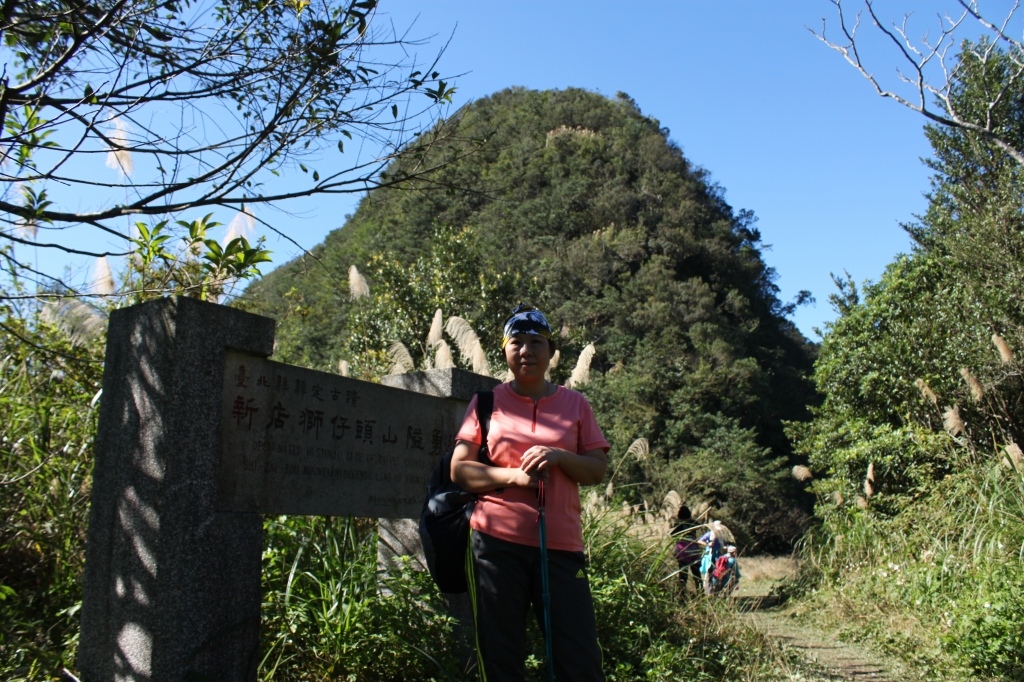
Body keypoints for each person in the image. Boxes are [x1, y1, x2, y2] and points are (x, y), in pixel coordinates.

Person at [451, 303, 609, 682]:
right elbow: (460, 470)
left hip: (561, 547)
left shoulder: (576, 404)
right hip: (495, 544)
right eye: (516, 342)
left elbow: (596, 470)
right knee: (501, 655)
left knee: (579, 658)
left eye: (536, 342)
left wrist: (558, 456)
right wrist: (514, 477)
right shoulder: (486, 402)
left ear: (551, 351)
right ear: (505, 351)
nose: (526, 351)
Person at [669, 506, 702, 595]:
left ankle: (682, 594)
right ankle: (701, 594)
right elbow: (699, 526)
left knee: (683, 575)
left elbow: (672, 534)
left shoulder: (678, 524)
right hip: (693, 551)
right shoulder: (692, 522)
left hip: (682, 551)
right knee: (697, 574)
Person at [698, 521, 726, 596]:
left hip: (718, 555)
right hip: (710, 555)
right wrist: (708, 544)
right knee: (709, 572)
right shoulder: (709, 534)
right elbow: (700, 541)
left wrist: (724, 547)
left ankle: (717, 590)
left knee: (718, 572)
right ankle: (710, 591)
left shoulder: (721, 535)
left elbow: (723, 544)